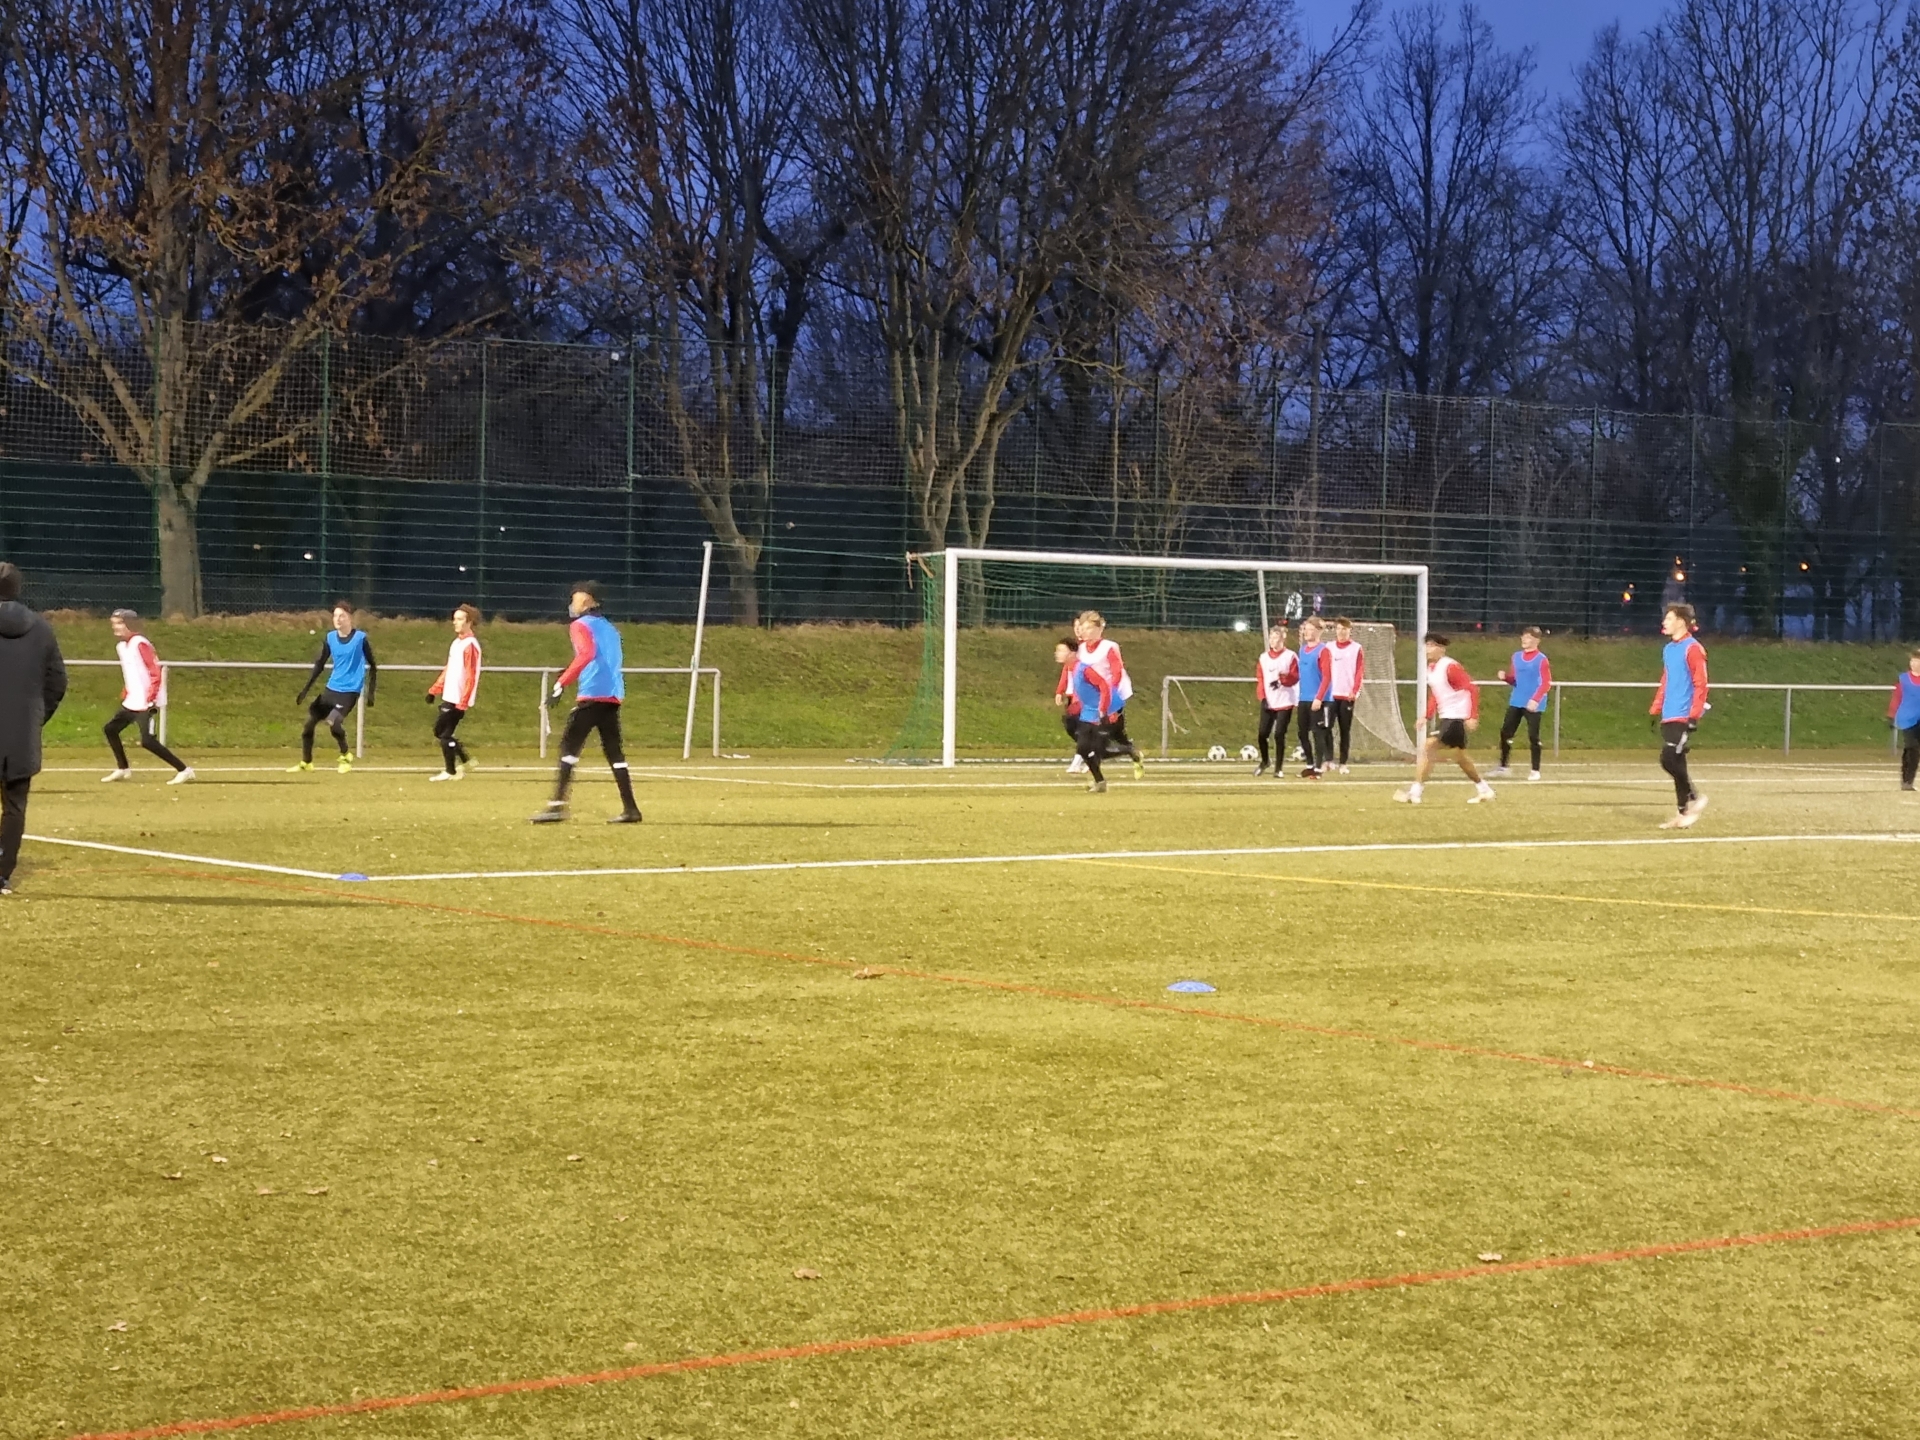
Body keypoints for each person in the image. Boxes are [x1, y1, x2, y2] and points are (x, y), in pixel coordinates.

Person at [532, 582, 642, 824]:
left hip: (593, 693)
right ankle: (631, 809)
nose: (572, 604)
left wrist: (561, 683)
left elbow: (586, 653)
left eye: (575, 599)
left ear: (587, 601)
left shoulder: (580, 625)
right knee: (614, 752)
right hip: (613, 695)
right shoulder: (611, 629)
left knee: (569, 747)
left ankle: (557, 806)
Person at [0, 563, 68, 896]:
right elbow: (57, 682)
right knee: (15, 807)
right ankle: (2, 874)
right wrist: (35, 718)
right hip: (21, 735)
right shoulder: (41, 628)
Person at [1393, 633, 1495, 805]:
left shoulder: (1450, 667)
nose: (1428, 649)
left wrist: (1472, 716)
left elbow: (1472, 689)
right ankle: (1484, 789)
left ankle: (1415, 793)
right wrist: (1426, 716)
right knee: (1460, 757)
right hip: (1447, 716)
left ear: (1441, 648)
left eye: (1432, 645)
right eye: (1427, 645)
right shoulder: (1431, 668)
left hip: (1456, 717)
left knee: (1428, 747)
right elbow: (1437, 694)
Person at [101, 609, 194, 784]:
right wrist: (127, 690)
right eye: (114, 624)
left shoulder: (140, 643)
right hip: (133, 700)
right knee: (110, 729)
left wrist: (151, 696)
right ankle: (123, 768)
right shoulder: (121, 647)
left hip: (147, 701)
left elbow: (154, 670)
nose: (115, 627)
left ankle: (184, 770)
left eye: (119, 623)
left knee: (148, 741)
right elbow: (132, 672)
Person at [291, 601, 377, 774]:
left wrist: (370, 693)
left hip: (349, 691)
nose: (338, 619)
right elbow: (320, 664)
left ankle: (345, 756)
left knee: (334, 723)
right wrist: (305, 690)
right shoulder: (330, 638)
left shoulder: (360, 639)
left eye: (342, 616)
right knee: (308, 725)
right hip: (331, 689)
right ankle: (306, 762)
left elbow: (373, 666)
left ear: (350, 618)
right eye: (335, 616)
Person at [1649, 603, 1709, 829]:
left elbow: (1701, 683)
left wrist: (1694, 715)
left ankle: (1694, 796)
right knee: (1677, 762)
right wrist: (1656, 707)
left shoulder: (1693, 648)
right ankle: (1683, 813)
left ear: (1681, 622)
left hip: (1683, 714)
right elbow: (1666, 679)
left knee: (1668, 759)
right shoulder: (1668, 649)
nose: (1664, 622)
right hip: (1669, 713)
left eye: (1669, 618)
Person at [1076, 611, 1144, 780]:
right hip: (1094, 700)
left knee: (1104, 739)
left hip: (1112, 696)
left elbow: (1116, 674)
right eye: (1084, 628)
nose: (1086, 632)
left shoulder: (1109, 647)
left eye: (1090, 628)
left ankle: (1102, 768)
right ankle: (1131, 753)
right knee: (1112, 737)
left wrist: (1111, 703)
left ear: (1099, 629)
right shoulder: (1081, 650)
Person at [426, 604, 483, 782]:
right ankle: (466, 760)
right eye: (454, 619)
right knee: (440, 732)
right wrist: (435, 689)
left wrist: (463, 701)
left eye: (459, 619)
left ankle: (450, 771)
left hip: (458, 698)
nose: (455, 622)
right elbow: (449, 669)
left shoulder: (470, 645)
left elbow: (471, 675)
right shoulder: (457, 643)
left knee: (444, 734)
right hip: (450, 695)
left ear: (469, 622)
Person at [1490, 626, 1552, 781]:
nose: (1524, 640)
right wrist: (1506, 678)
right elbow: (1515, 680)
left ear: (1537, 640)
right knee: (1506, 732)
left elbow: (1546, 683)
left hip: (1533, 703)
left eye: (1529, 637)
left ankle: (1535, 770)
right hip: (1517, 700)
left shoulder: (1541, 659)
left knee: (1533, 736)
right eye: (1523, 636)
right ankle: (1503, 766)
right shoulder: (1516, 657)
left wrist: (1535, 699)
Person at [1065, 641, 1116, 793]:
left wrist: (1102, 708)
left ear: (1072, 653)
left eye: (1061, 650)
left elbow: (1103, 686)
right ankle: (1100, 781)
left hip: (1094, 713)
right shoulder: (1073, 669)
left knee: (1091, 749)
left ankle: (1128, 750)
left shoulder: (1083, 668)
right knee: (1087, 749)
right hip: (1085, 712)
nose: (1057, 654)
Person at [1253, 624, 1298, 777]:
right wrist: (1262, 696)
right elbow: (1260, 678)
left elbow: (1295, 677)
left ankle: (1278, 768)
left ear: (1283, 639)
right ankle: (1265, 761)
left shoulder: (1290, 656)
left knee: (1279, 734)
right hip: (1269, 701)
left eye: (1276, 637)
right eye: (1271, 638)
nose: (1273, 641)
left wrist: (1283, 679)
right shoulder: (1264, 658)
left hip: (1285, 701)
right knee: (1262, 734)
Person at [1326, 617, 1366, 774]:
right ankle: (1328, 759)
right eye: (1339, 629)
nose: (1341, 632)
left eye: (1344, 629)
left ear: (1349, 630)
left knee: (1344, 730)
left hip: (1347, 696)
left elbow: (1359, 671)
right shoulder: (1329, 647)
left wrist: (1354, 691)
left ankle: (1343, 763)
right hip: (1330, 695)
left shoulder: (1356, 648)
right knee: (1326, 727)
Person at [1295, 617, 1332, 778]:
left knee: (1318, 733)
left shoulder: (1323, 651)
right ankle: (1309, 764)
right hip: (1303, 698)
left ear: (1318, 631)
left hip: (1317, 699)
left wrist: (1319, 698)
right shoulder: (1302, 650)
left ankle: (1318, 767)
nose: (1306, 632)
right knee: (1302, 733)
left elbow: (1327, 676)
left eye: (1310, 629)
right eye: (1305, 629)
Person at [1053, 634, 1087, 774]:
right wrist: (1059, 692)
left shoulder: (1080, 665)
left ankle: (1079, 762)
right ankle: (1092, 754)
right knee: (1074, 729)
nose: (1057, 653)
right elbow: (1065, 678)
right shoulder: (1069, 665)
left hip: (1082, 702)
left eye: (1061, 650)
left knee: (1082, 732)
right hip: (1073, 700)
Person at [1891, 648, 1920, 792]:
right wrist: (1891, 715)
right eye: (1913, 661)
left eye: (1917, 661)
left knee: (1914, 751)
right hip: (1907, 718)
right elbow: (1897, 697)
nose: (1914, 663)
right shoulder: (1903, 679)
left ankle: (1909, 779)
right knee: (1911, 746)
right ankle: (1906, 780)